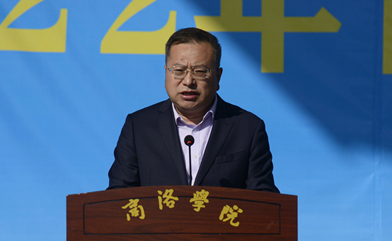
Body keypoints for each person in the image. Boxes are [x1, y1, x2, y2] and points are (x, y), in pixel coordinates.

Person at [107, 27, 279, 193]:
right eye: (179, 71)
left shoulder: (248, 128)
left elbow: (264, 199)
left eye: (200, 71)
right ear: (166, 73)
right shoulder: (139, 126)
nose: (188, 81)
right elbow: (119, 195)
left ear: (218, 77)